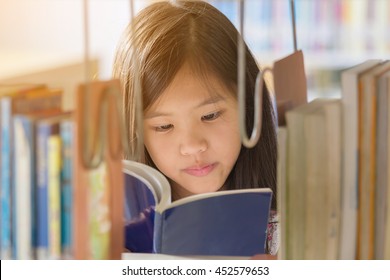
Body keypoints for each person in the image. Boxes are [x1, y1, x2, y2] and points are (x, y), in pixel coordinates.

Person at [113, 0, 278, 255]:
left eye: (210, 115)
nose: (192, 146)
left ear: (248, 104)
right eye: (164, 126)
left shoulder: (295, 218)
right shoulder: (110, 226)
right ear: (133, 130)